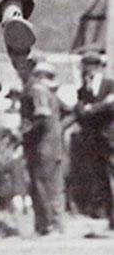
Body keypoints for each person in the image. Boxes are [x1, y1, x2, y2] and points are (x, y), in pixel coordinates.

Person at [21, 60, 65, 236]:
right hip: (55, 145)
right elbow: (70, 112)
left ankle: (48, 225)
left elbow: (42, 117)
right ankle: (57, 224)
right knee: (55, 186)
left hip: (41, 146)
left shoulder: (38, 90)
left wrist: (25, 133)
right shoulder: (53, 94)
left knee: (42, 185)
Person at [75, 51, 114, 232]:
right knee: (102, 179)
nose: (85, 71)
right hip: (94, 141)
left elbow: (111, 106)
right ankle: (111, 217)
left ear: (95, 67)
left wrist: (93, 108)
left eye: (87, 67)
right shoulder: (83, 89)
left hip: (110, 138)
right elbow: (81, 112)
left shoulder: (110, 85)